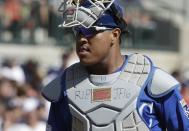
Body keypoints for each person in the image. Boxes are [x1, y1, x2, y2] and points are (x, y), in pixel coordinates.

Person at [42, 0, 189, 131]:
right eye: (78, 32)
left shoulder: (153, 83)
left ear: (115, 34)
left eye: (89, 31)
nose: (81, 39)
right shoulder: (65, 87)